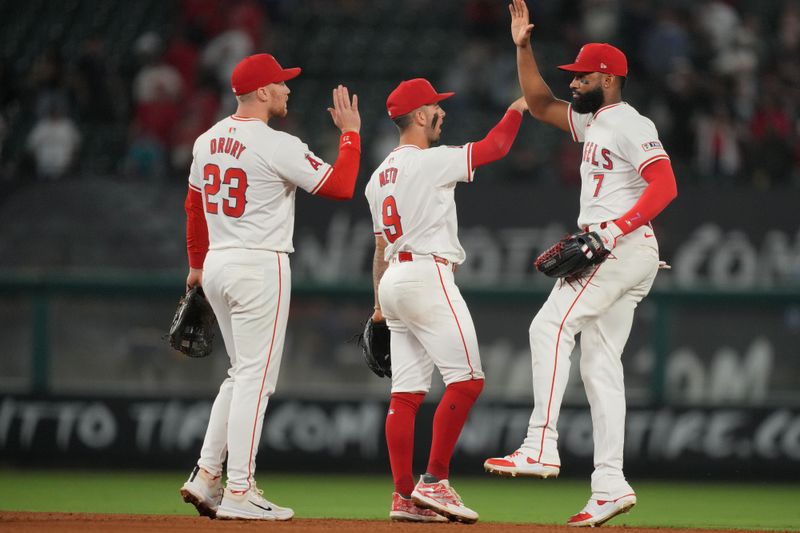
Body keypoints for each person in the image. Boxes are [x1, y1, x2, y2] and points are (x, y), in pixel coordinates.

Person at [484, 1, 678, 528]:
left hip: (618, 246)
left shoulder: (628, 122)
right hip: (630, 253)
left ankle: (540, 443)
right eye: (572, 74)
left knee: (548, 325)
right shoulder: (595, 123)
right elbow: (539, 102)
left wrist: (614, 229)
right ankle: (610, 483)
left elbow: (666, 183)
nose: (573, 81)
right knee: (599, 364)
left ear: (609, 78)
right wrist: (524, 48)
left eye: (581, 75)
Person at [178, 53, 361, 521]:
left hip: (217, 263)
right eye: (281, 83)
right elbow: (341, 186)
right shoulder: (276, 143)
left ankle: (205, 476)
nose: (287, 89)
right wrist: (351, 134)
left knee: (240, 375)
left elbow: (193, 206)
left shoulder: (206, 140)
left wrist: (197, 266)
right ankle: (239, 490)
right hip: (259, 264)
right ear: (261, 92)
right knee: (257, 382)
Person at [366, 78, 527, 524]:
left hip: (394, 279)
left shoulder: (378, 177)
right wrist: (517, 107)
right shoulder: (431, 161)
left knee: (406, 394)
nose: (442, 113)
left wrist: (379, 305)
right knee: (468, 380)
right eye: (436, 107)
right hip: (426, 275)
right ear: (419, 115)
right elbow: (494, 147)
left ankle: (403, 497)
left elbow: (380, 249)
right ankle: (434, 481)